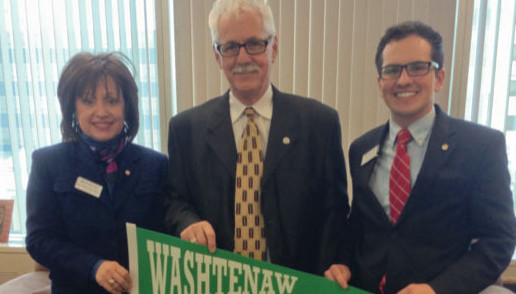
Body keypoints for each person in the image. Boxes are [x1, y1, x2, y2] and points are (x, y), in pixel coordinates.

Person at [325, 21, 516, 294]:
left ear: (439, 77)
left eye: (417, 67)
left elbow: (498, 241)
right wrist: (342, 263)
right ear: (380, 83)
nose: (403, 80)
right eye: (392, 70)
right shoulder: (361, 149)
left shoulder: (481, 147)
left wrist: (438, 289)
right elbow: (360, 226)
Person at [165, 0, 349, 275]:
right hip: (219, 282)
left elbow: (334, 211)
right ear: (218, 56)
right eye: (230, 47)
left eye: (254, 44)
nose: (242, 58)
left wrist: (334, 268)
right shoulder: (185, 129)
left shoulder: (319, 124)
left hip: (298, 284)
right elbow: (174, 202)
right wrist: (187, 223)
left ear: (273, 48)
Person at [25, 52, 168, 294]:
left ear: (127, 106)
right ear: (73, 107)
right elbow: (39, 241)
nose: (101, 112)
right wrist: (94, 267)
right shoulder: (47, 163)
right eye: (89, 101)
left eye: (112, 101)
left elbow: (168, 235)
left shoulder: (156, 165)